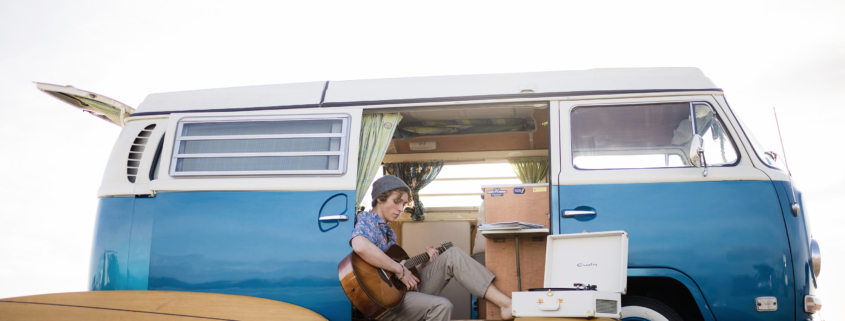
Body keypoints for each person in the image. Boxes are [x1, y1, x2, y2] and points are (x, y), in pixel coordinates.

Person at [350, 175, 513, 321]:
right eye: (396, 201)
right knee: (442, 306)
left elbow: (398, 275)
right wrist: (399, 270)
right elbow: (360, 245)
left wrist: (424, 266)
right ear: (380, 198)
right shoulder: (367, 220)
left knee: (452, 255)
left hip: (400, 293)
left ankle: (505, 303)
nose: (401, 209)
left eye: (404, 204)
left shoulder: (389, 233)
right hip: (383, 303)